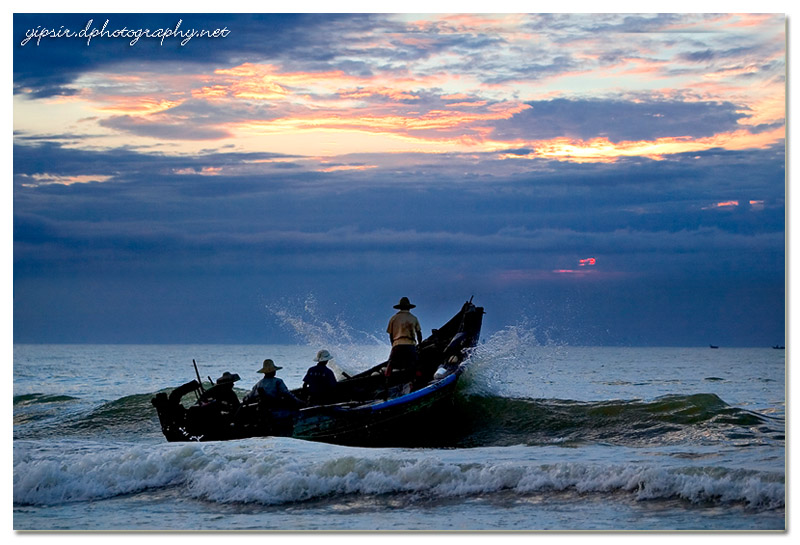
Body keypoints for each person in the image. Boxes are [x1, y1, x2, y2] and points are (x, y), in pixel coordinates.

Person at [385, 297, 423, 379]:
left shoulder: (393, 318)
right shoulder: (413, 318)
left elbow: (391, 335)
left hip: (397, 345)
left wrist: (393, 345)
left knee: (390, 364)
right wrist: (419, 344)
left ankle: (386, 380)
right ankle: (418, 379)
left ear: (400, 308)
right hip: (410, 345)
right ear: (409, 308)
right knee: (416, 365)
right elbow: (419, 333)